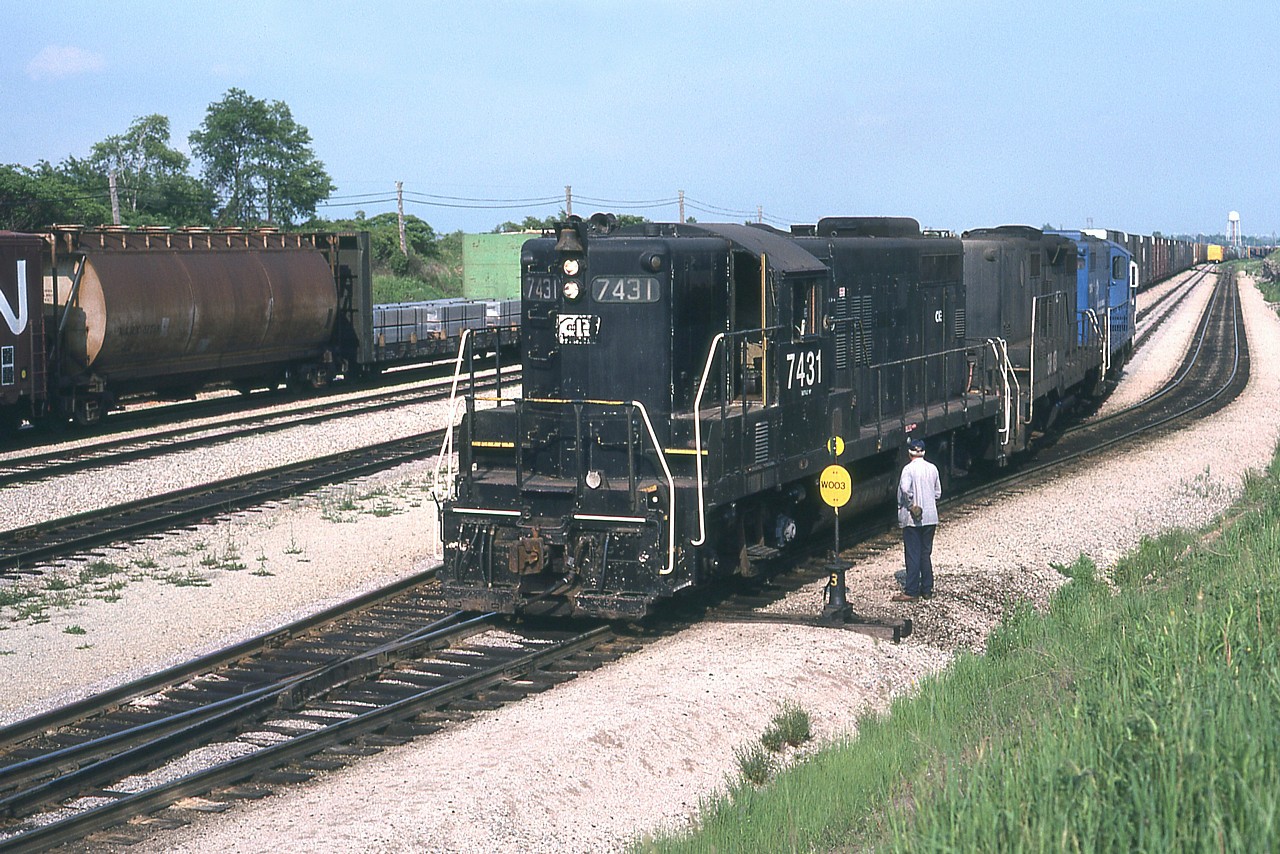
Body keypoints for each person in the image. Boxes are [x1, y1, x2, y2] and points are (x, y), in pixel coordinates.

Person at [893, 438, 941, 602]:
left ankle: (911, 591)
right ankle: (927, 589)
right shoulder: (933, 468)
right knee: (925, 554)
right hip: (931, 517)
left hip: (913, 519)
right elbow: (938, 493)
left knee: (913, 554)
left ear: (909, 453)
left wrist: (911, 505)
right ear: (924, 452)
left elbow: (905, 489)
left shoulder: (908, 469)